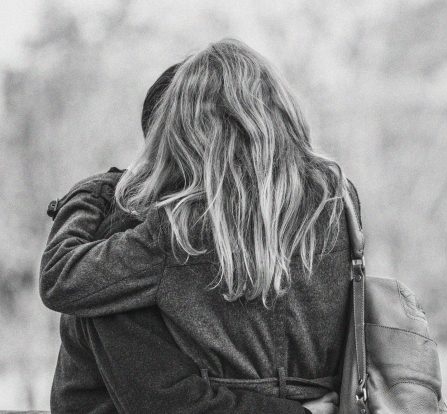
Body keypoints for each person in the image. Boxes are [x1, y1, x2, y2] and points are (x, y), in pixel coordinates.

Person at [40, 39, 359, 413]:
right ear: (282, 110)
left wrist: (97, 190)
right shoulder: (336, 199)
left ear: (185, 134)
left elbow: (63, 278)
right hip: (332, 402)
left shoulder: (179, 229)